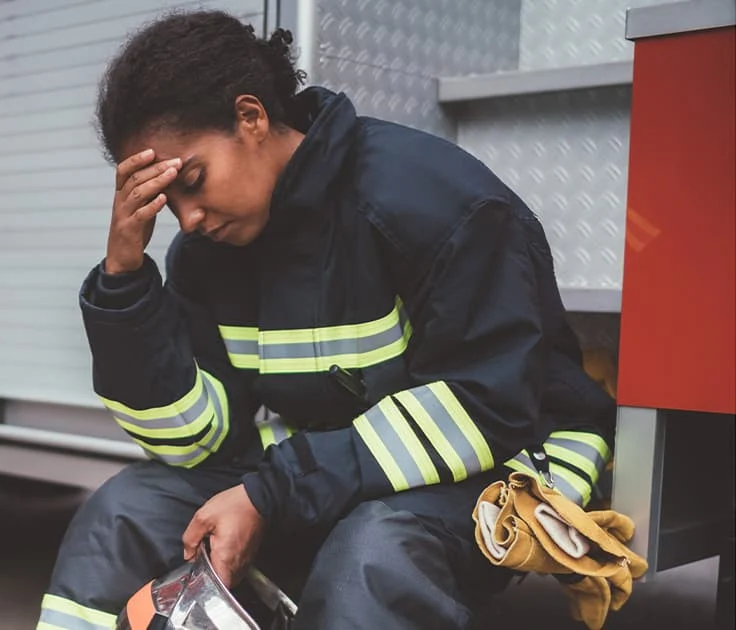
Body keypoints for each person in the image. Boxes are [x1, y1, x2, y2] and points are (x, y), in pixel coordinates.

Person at [37, 10, 615, 630]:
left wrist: (272, 494)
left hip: (503, 457)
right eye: (167, 203)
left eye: (194, 181)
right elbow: (197, 441)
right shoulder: (206, 257)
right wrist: (123, 283)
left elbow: (485, 407)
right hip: (337, 468)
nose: (189, 220)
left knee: (370, 557)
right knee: (126, 509)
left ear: (252, 118)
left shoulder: (433, 200)